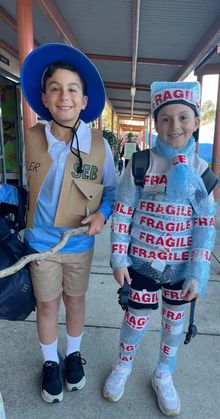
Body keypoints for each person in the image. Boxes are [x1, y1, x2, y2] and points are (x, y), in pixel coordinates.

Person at [7, 43, 117, 403]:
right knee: (48, 305)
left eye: (72, 89)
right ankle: (50, 362)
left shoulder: (100, 146)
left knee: (75, 301)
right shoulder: (33, 140)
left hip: (80, 243)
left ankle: (73, 355)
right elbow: (23, 189)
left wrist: (102, 214)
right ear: (44, 97)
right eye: (55, 88)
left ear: (85, 100)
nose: (64, 96)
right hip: (41, 245)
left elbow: (111, 193)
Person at [103, 81, 216, 416]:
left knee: (173, 325)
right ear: (155, 123)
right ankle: (123, 366)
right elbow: (123, 212)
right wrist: (118, 257)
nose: (175, 126)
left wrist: (197, 272)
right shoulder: (139, 165)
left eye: (183, 117)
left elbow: (204, 227)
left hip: (181, 268)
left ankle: (164, 373)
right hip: (140, 264)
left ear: (196, 122)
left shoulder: (202, 174)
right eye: (165, 119)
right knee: (135, 320)